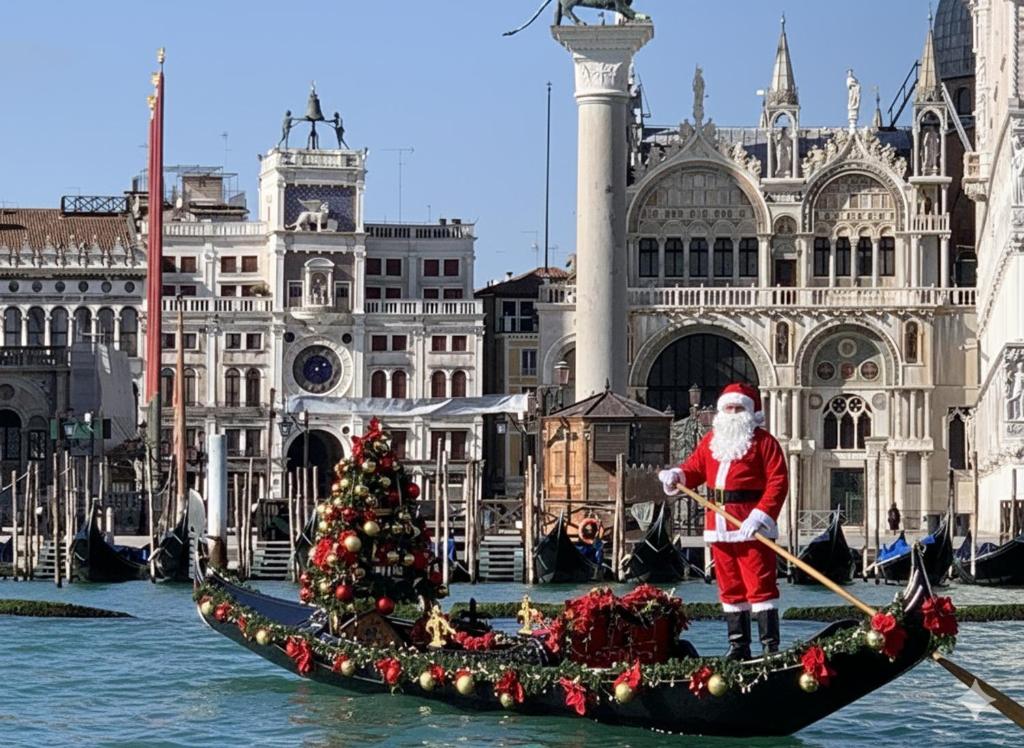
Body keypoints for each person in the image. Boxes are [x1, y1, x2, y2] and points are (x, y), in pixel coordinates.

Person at [659, 383, 789, 660]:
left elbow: (778, 482)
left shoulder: (765, 443)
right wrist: (677, 475)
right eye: (728, 408)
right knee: (730, 586)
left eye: (738, 408)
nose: (732, 413)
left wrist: (761, 515)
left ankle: (770, 647)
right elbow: (695, 469)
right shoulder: (711, 442)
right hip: (718, 525)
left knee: (760, 585)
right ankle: (739, 646)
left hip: (751, 525)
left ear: (750, 412)